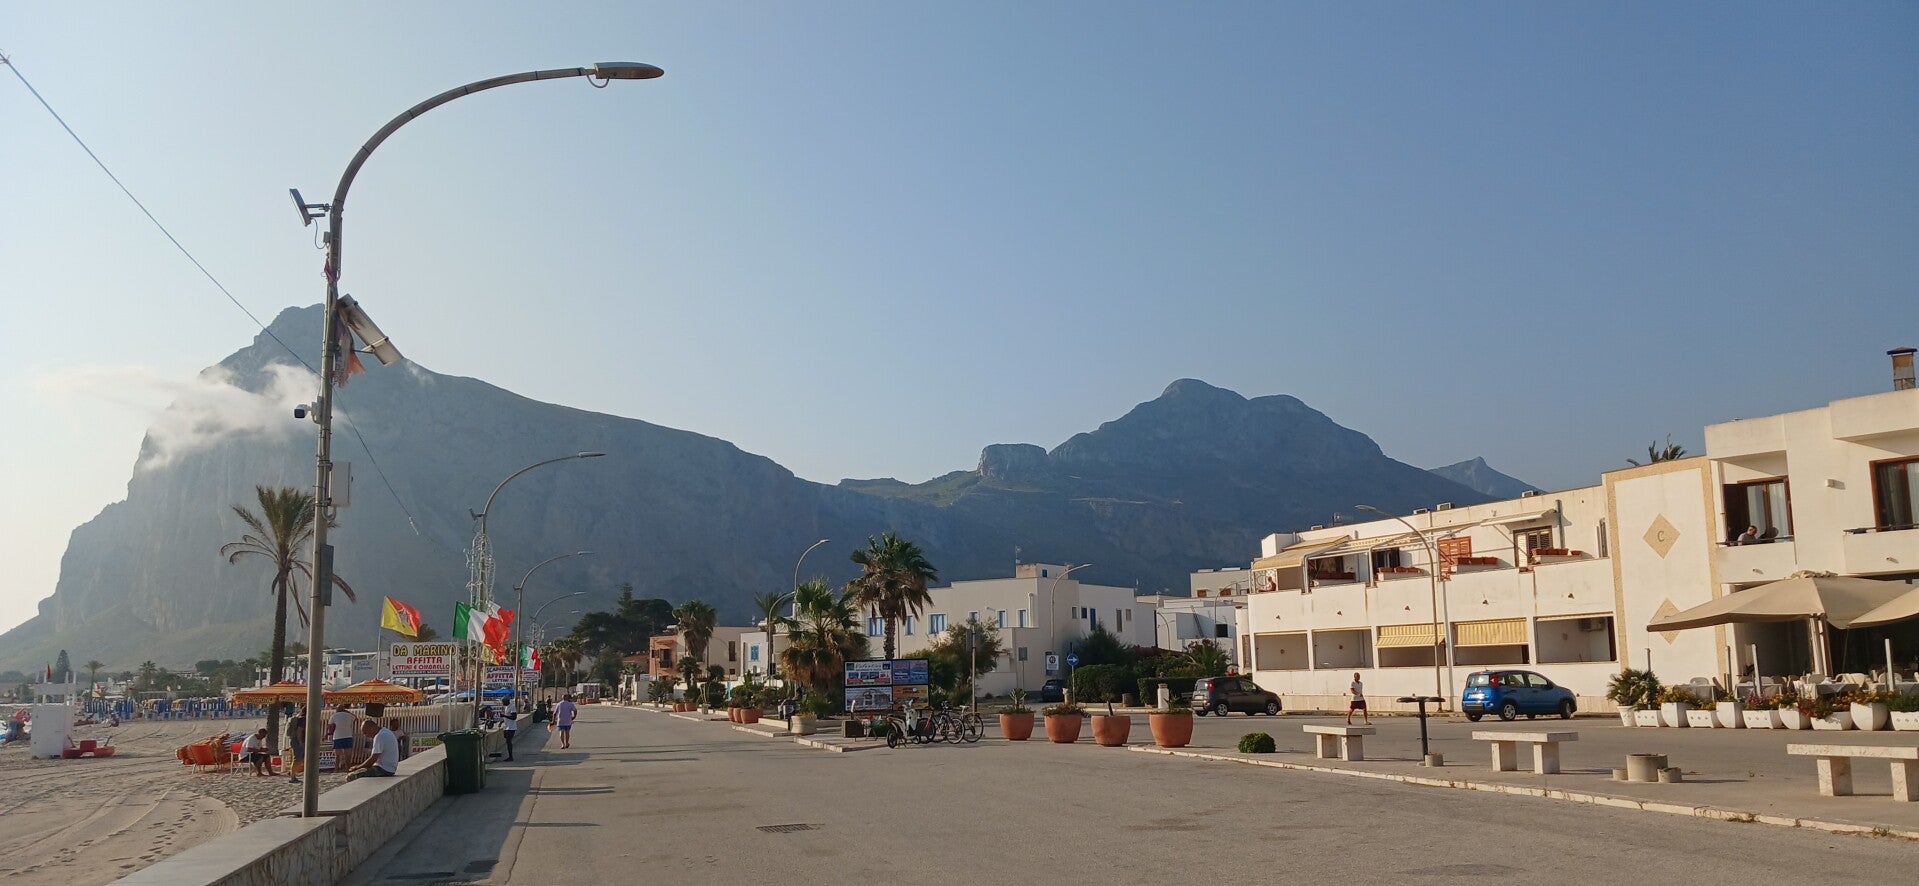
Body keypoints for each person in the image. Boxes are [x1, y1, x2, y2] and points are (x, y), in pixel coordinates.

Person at [327, 703, 358, 769]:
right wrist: (347, 712)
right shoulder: (349, 715)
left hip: (337, 736)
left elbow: (330, 725)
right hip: (348, 735)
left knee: (337, 755)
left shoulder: (333, 716)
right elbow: (355, 718)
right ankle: (347, 768)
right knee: (348, 755)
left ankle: (336, 769)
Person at [286, 708, 307, 783]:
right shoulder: (303, 719)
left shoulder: (300, 718)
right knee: (297, 758)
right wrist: (300, 742)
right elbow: (299, 731)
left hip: (297, 740)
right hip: (298, 741)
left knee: (300, 758)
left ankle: (292, 773)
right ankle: (292, 777)